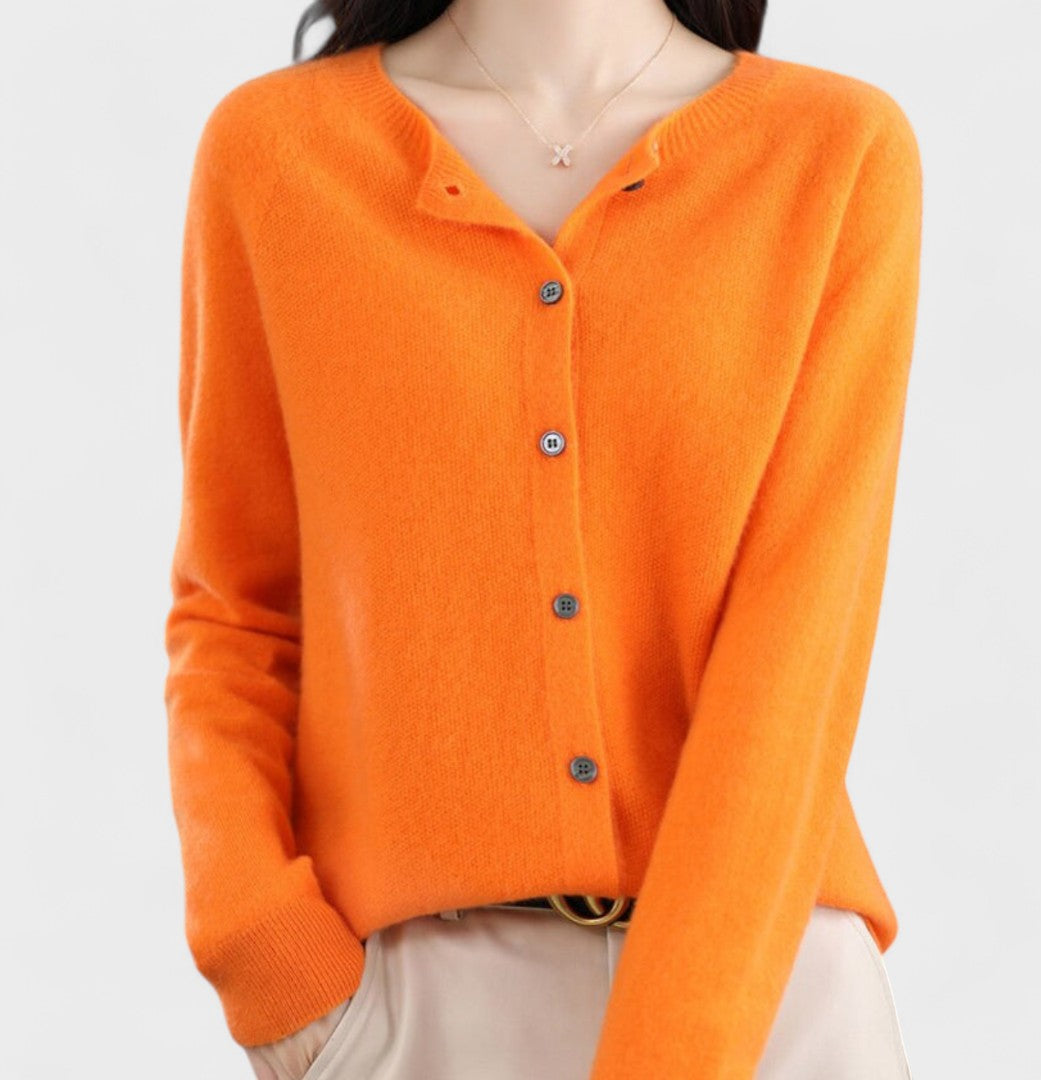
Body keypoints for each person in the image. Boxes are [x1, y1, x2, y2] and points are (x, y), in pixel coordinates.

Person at [163, 1, 922, 1077]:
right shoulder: (278, 154)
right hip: (419, 1014)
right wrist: (266, 955)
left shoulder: (833, 153)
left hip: (773, 1004)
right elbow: (237, 612)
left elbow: (801, 658)